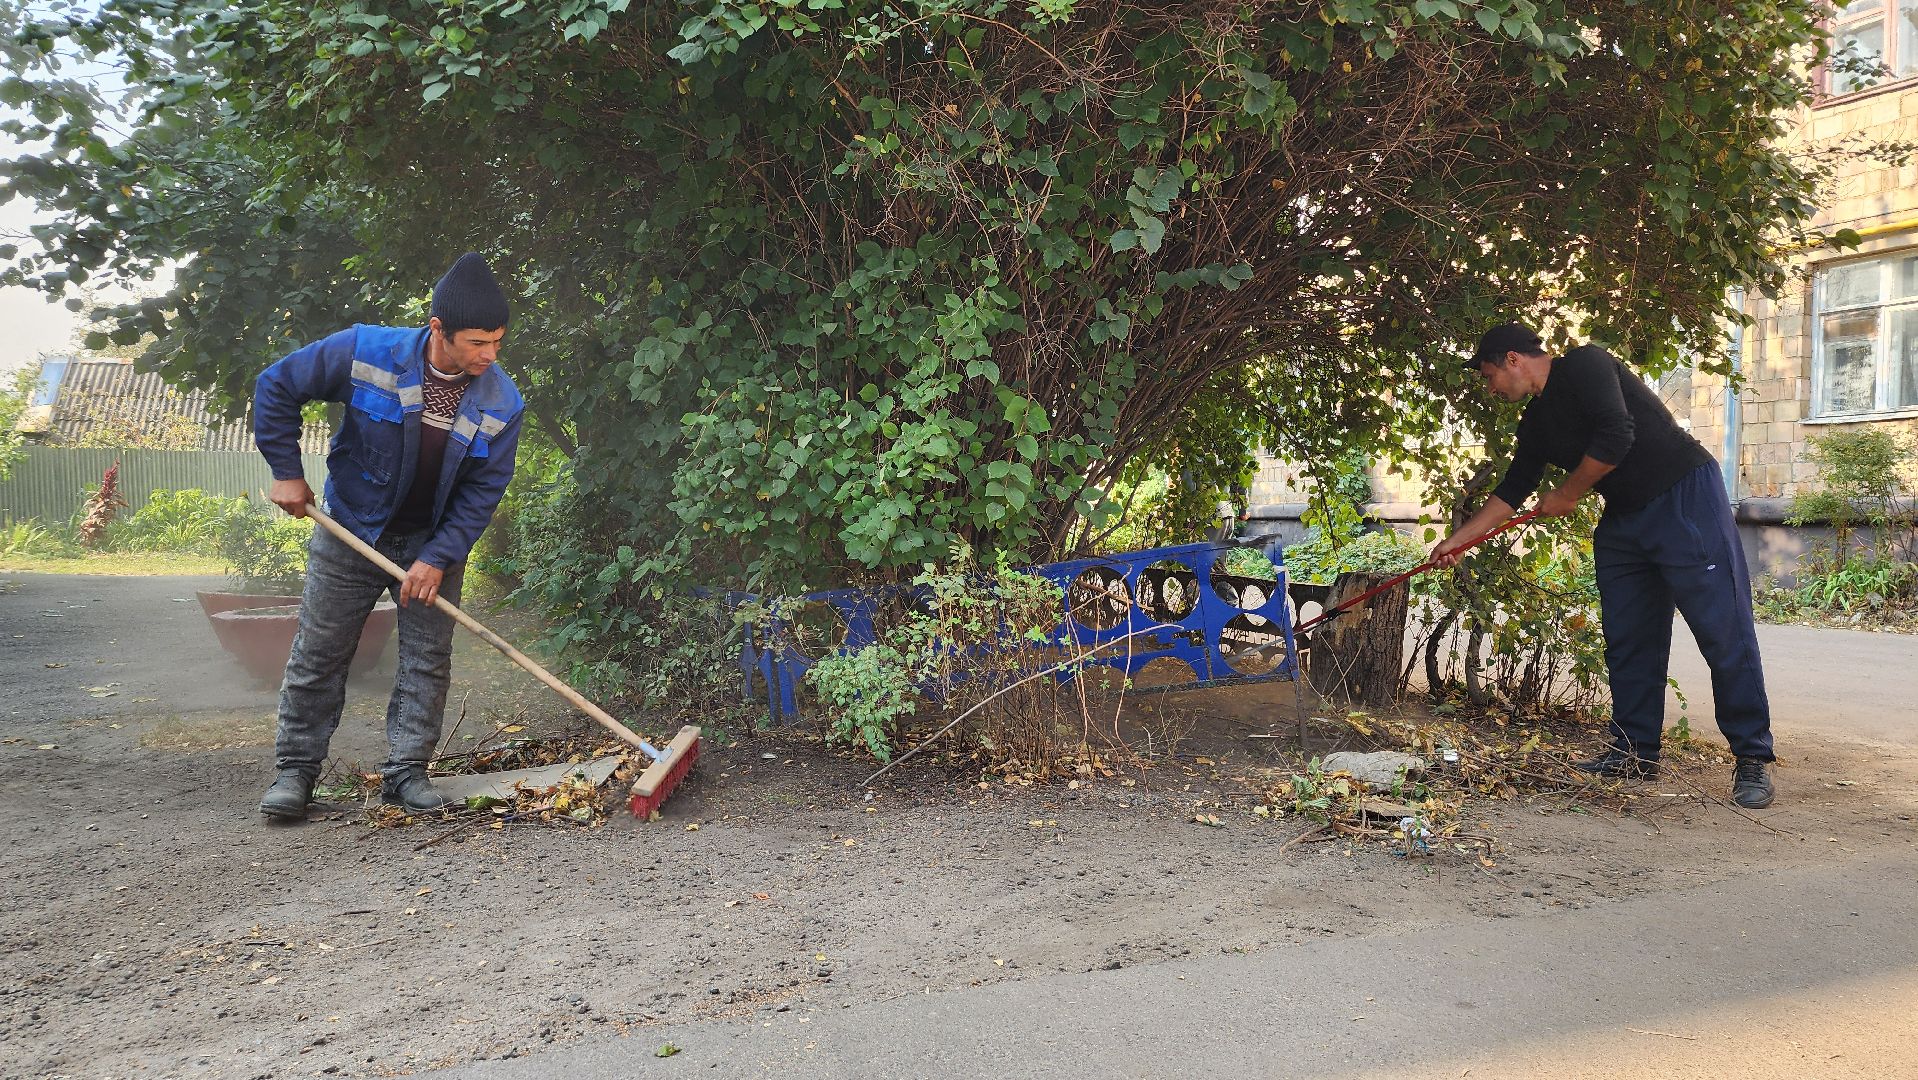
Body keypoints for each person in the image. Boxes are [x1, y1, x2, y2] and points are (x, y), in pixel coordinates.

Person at [1434, 322, 1776, 809]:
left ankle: (1753, 756)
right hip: (1625, 517)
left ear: (1513, 359)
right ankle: (1635, 751)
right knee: (1629, 637)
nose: (1490, 389)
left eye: (1489, 376)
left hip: (1683, 496)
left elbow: (1618, 434)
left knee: (1722, 628)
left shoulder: (1586, 364)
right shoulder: (1535, 423)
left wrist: (1568, 493)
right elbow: (1513, 489)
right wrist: (1458, 541)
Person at [252, 253, 524, 819]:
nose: (490, 355)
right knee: (320, 652)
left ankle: (406, 773)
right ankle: (295, 773)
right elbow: (276, 385)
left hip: (432, 542)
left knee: (427, 659)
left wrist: (439, 556)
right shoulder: (364, 351)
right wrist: (286, 471)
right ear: (438, 329)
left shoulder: (503, 401)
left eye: (498, 341)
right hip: (351, 529)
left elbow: (483, 492)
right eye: (478, 342)